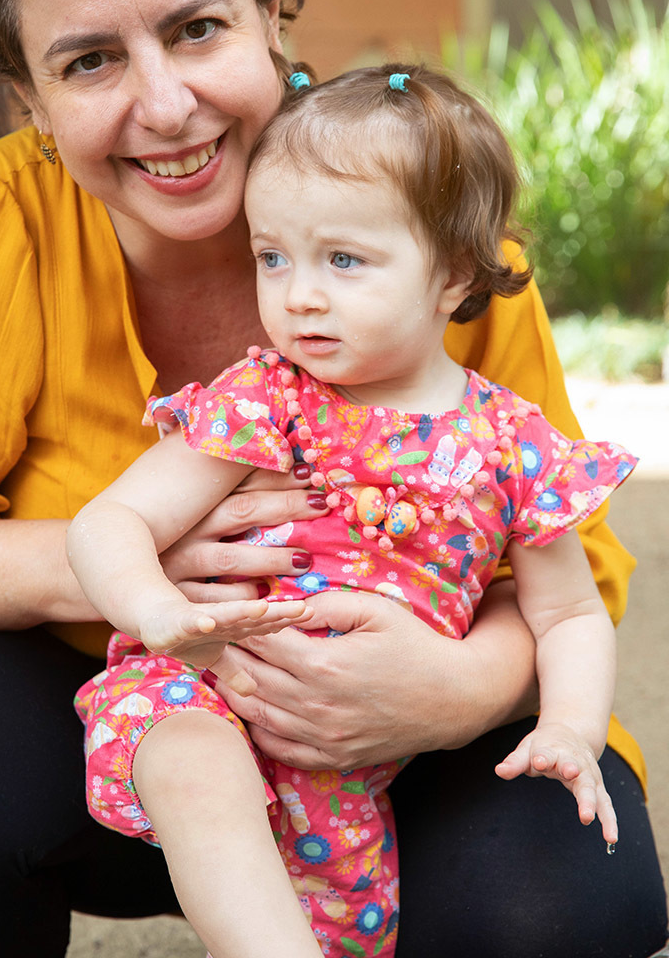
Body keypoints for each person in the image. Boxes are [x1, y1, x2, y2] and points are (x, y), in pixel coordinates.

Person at [0, 0, 665, 958]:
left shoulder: (436, 243)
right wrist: (131, 569)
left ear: (273, 12)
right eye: (88, 61)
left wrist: (456, 690)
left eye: (196, 27)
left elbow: (566, 570)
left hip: (396, 744)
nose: (165, 103)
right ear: (26, 96)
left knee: (566, 906)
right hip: (122, 732)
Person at [67, 64, 629, 958]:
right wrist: (157, 611)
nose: (299, 294)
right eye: (272, 257)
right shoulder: (268, 400)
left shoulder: (514, 442)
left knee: (349, 930)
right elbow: (109, 522)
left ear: (451, 273)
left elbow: (567, 611)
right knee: (196, 768)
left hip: (358, 765)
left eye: (344, 260)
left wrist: (569, 728)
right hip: (204, 691)